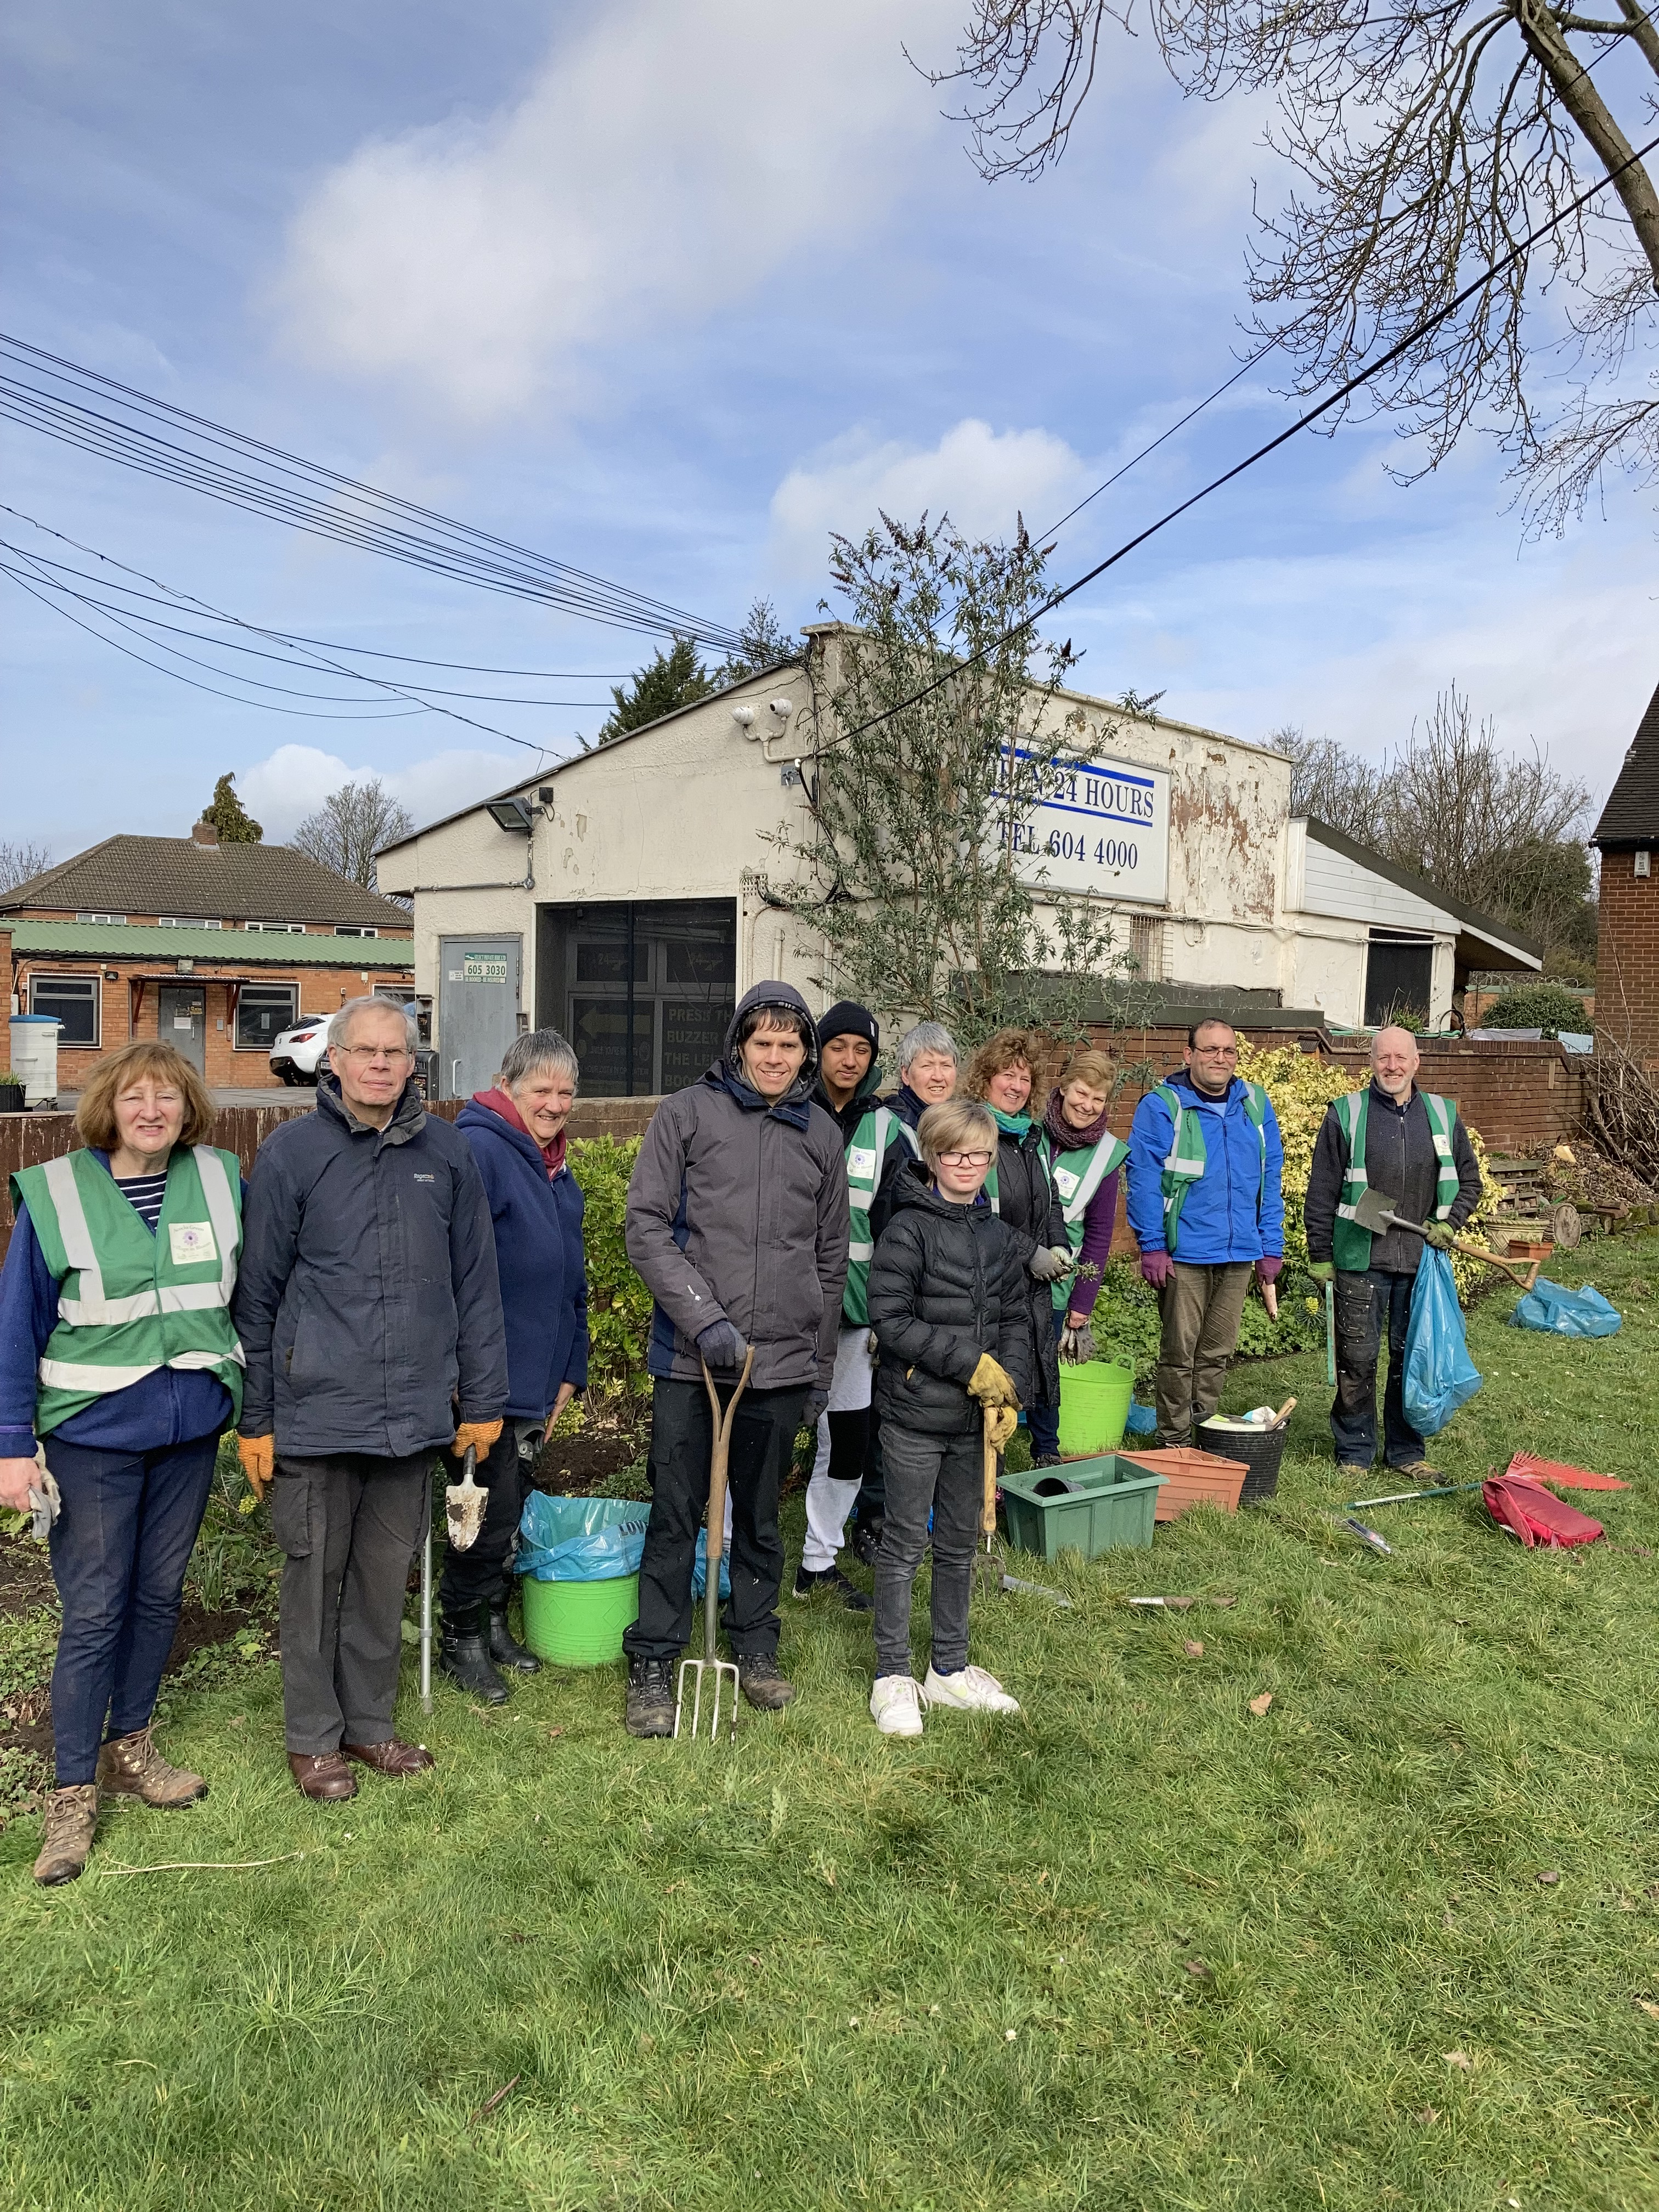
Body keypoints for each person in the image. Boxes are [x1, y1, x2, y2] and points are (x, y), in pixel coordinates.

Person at [234, 996, 508, 1802]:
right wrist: (257, 1417)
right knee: (313, 1581)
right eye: (366, 1051)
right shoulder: (291, 1154)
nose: (381, 1065)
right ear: (336, 1060)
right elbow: (258, 1295)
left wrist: (482, 1400)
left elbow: (476, 1285)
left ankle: (368, 1725)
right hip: (315, 1411)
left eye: (395, 1053)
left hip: (412, 1415)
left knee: (384, 1582)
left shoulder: (446, 1153)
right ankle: (313, 1739)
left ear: (412, 1064)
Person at [0, 1041, 244, 1886]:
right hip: (92, 1435)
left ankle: (130, 1748)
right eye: (136, 1096)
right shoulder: (59, 1193)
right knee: (96, 1610)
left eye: (167, 1097)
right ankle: (71, 1793)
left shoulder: (219, 1179)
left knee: (158, 1595)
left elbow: (248, 1296)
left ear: (188, 1110)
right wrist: (10, 1447)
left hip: (188, 1430)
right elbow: (17, 1325)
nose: (152, 1111)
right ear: (108, 1106)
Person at [620, 983, 849, 1736]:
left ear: (805, 1054)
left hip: (778, 1366)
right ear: (739, 1047)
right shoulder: (687, 1114)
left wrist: (818, 1374)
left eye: (789, 1045)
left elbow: (830, 1261)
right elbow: (646, 1226)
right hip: (691, 1362)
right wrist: (705, 1319)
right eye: (763, 1044)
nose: (776, 1057)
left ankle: (755, 1646)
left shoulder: (820, 1134)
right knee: (675, 1513)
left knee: (757, 1516)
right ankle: (655, 1661)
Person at [865, 1099, 1031, 1737]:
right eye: (954, 1154)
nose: (967, 1165)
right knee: (905, 1544)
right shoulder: (907, 1230)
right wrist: (971, 1366)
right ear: (933, 1158)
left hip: (972, 1424)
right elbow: (892, 1321)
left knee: (959, 1545)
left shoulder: (997, 1235)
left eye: (979, 1155)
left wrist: (1007, 1393)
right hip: (915, 1414)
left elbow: (1015, 1320)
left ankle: (949, 1670)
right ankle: (891, 1676)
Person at [443, 1028, 589, 1702]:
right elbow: (455, 1274)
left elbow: (571, 1283)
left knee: (512, 1505)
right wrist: (465, 1378)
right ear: (507, 1086)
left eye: (566, 1092)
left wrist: (570, 1368)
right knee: (481, 1509)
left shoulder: (556, 1169)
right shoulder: (480, 1151)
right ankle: (461, 1635)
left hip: (538, 1377)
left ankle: (494, 1620)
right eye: (542, 1090)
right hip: (487, 1379)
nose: (555, 1104)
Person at [1304, 1024, 1483, 1480]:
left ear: (1416, 1062)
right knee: (1357, 1361)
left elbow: (1470, 1181)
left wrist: (1449, 1223)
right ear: (1371, 1062)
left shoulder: (1442, 1114)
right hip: (1361, 1258)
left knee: (1410, 1360)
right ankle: (1354, 1452)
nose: (1393, 1066)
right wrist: (1320, 1253)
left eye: (1402, 1057)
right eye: (1384, 1057)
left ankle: (1405, 1452)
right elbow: (1322, 1190)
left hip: (1420, 1263)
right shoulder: (1346, 1114)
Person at [1125, 1019, 1285, 1447]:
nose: (1220, 1058)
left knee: (1216, 1354)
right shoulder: (1163, 1105)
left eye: (1228, 1051)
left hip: (1239, 1252)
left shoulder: (1255, 1104)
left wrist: (1271, 1246)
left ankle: (1205, 1435)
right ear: (1189, 1054)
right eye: (1210, 1049)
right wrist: (1152, 1245)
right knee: (1180, 1356)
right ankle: (1174, 1442)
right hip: (1185, 1252)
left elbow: (1270, 1179)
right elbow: (1143, 1178)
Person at [795, 1001, 907, 1611]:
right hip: (786, 1312)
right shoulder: (788, 1110)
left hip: (855, 1319)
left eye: (861, 1050)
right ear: (819, 1052)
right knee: (763, 1440)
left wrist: (888, 1313)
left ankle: (818, 1561)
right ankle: (734, 1559)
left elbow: (899, 1231)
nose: (849, 1059)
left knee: (847, 1443)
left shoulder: (888, 1130)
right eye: (838, 1047)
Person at [848, 1017, 964, 1560]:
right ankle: (874, 1520)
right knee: (885, 1412)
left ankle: (927, 1514)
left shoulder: (959, 1128)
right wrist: (873, 1304)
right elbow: (859, 1218)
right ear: (905, 1073)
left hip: (944, 1297)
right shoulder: (886, 1129)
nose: (938, 1074)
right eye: (927, 1065)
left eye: (947, 1064)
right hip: (895, 1299)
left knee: (930, 1404)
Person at [963, 1029, 1073, 1467]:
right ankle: (990, 1476)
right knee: (995, 1375)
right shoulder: (974, 1132)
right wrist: (1030, 1252)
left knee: (1037, 1365)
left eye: (1025, 1079)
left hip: (1031, 1286)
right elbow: (975, 1215)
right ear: (986, 1078)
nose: (1016, 1086)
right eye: (1007, 1075)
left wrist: (1059, 1244)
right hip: (988, 1282)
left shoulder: (1033, 1138)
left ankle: (1045, 1456)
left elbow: (1051, 1201)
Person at [1039, 1048, 1128, 1368]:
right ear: (1064, 1087)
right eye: (1082, 1093)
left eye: (1098, 1099)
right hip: (1006, 1280)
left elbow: (1100, 1234)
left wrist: (1082, 1302)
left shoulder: (1106, 1154)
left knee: (1043, 1380)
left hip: (1056, 1288)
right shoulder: (1029, 1128)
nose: (1088, 1106)